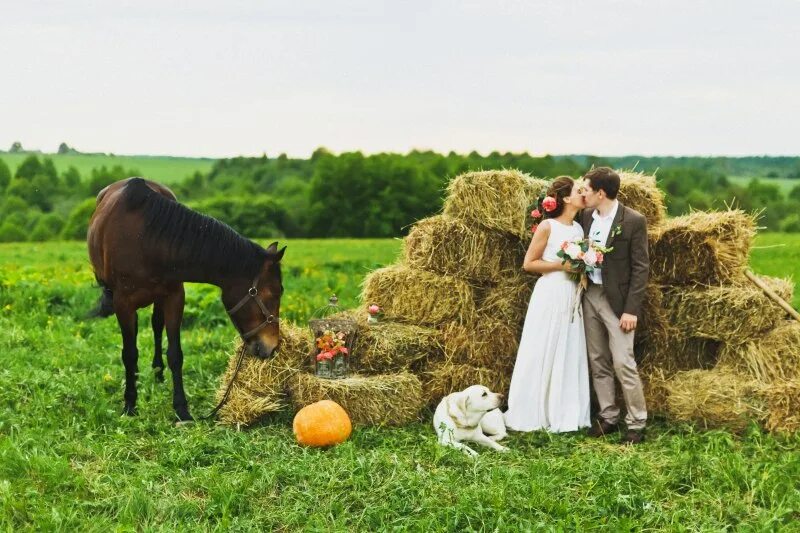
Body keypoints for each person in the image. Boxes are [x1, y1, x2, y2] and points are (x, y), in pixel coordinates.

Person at [504, 176, 591, 433]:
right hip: (550, 291)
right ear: (565, 198)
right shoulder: (547, 226)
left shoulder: (577, 229)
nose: (583, 194)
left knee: (568, 346)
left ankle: (564, 411)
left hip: (571, 292)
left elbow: (579, 262)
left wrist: (582, 273)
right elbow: (529, 264)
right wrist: (560, 265)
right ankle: (533, 411)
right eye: (579, 190)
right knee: (542, 345)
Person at [580, 167, 649, 444]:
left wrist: (631, 309)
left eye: (587, 189)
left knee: (623, 362)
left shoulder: (633, 220)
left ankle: (637, 423)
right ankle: (608, 416)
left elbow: (641, 268)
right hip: (590, 294)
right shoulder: (586, 216)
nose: (583, 194)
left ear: (601, 192)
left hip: (618, 302)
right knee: (598, 360)